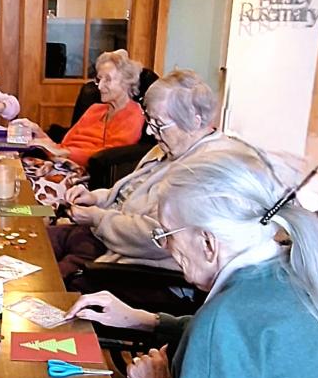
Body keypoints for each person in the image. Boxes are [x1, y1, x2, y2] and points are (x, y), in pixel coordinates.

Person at [66, 148, 318, 378]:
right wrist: (144, 319)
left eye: (167, 234)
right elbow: (255, 342)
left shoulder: (225, 322)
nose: (165, 247)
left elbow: (234, 336)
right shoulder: (302, 269)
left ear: (207, 242)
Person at [49, 69, 242, 284]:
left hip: (129, 261)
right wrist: (96, 198)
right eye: (150, 121)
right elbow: (130, 193)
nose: (150, 132)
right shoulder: (168, 146)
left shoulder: (208, 170)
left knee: (47, 281)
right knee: (32, 243)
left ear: (195, 121)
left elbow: (159, 238)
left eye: (159, 123)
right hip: (102, 236)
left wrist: (98, 218)